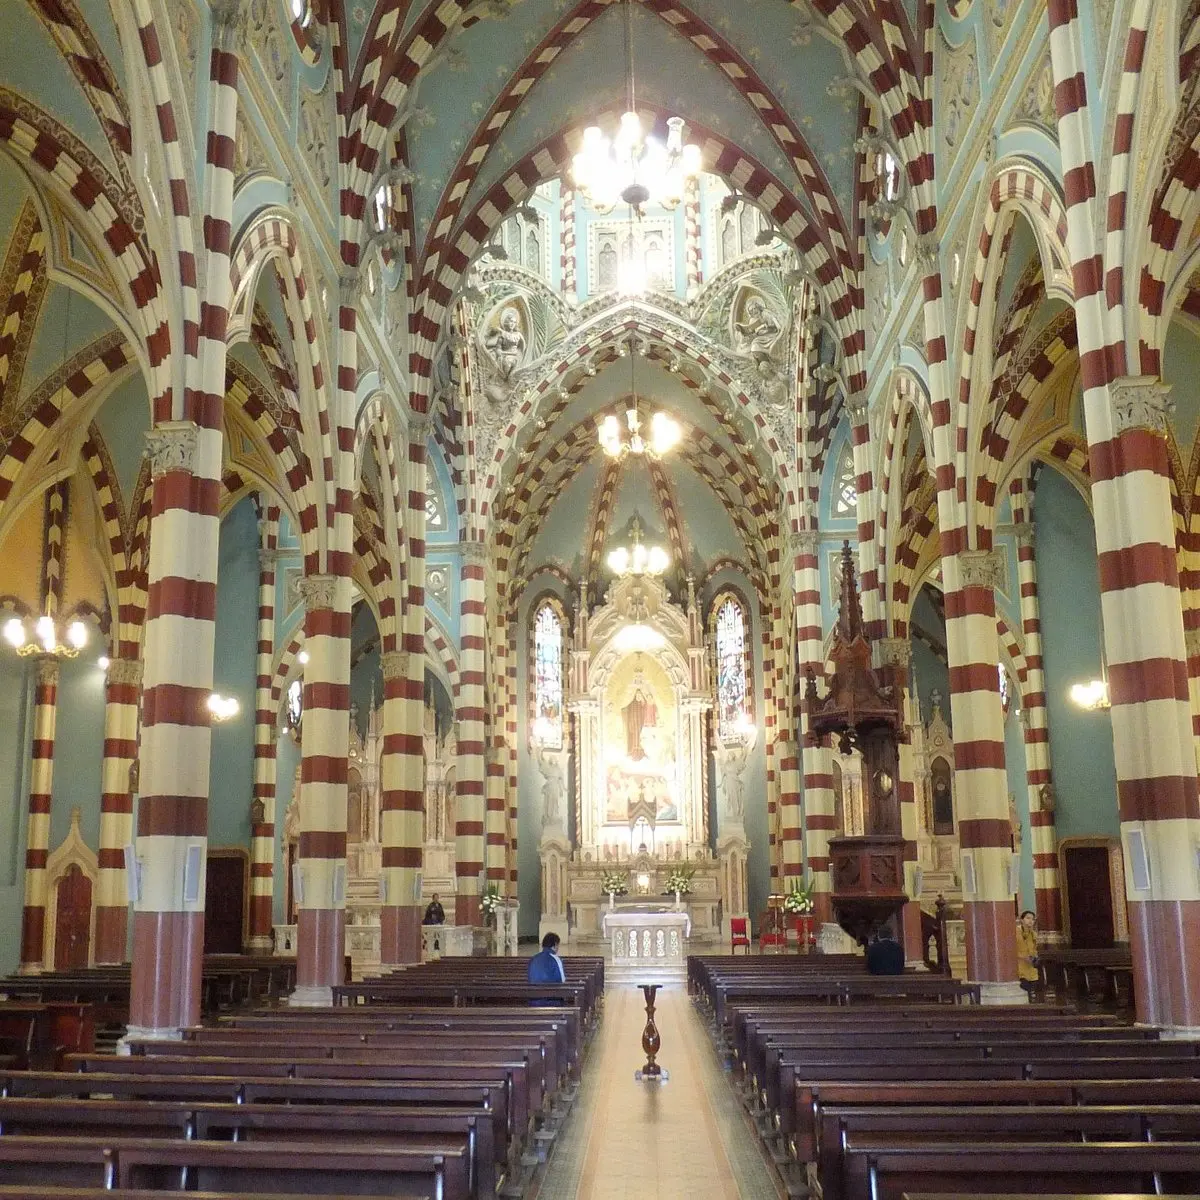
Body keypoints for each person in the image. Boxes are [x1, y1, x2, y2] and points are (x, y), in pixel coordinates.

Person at [1017, 909, 1039, 993]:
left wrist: (1035, 957)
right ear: (1022, 920)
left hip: (1031, 969)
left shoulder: (1034, 934)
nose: (1030, 921)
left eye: (1032, 919)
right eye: (1028, 918)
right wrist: (1023, 957)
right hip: (1020, 968)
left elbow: (1035, 949)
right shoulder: (1015, 932)